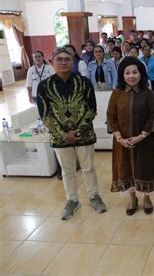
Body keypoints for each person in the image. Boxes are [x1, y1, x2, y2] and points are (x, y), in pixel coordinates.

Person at [37, 47, 107, 220]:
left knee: (89, 168)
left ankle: (94, 196)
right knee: (67, 171)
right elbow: (45, 114)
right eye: (59, 59)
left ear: (73, 61)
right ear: (52, 62)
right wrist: (63, 134)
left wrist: (77, 131)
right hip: (59, 137)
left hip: (84, 134)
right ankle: (72, 200)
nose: (63, 62)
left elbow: (91, 110)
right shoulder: (44, 86)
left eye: (67, 59)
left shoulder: (84, 83)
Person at [107, 57, 154, 215]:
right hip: (122, 142)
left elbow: (153, 116)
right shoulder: (117, 94)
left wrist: (141, 136)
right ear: (122, 75)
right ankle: (132, 198)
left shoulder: (147, 93)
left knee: (145, 169)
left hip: (144, 141)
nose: (131, 76)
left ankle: (146, 198)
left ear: (141, 74)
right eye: (127, 73)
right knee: (126, 169)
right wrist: (120, 139)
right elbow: (111, 117)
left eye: (134, 72)